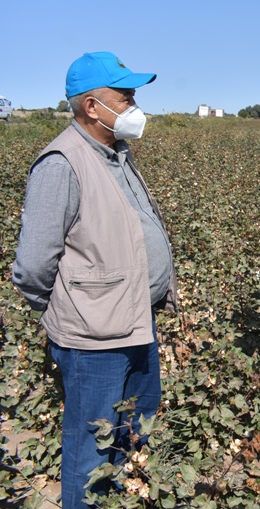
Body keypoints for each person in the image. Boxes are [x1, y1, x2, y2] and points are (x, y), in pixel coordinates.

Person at [12, 52, 177, 508]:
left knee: (133, 438)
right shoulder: (61, 163)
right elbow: (32, 267)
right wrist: (71, 310)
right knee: (91, 454)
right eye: (124, 96)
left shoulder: (117, 156)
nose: (133, 105)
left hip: (136, 324)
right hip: (93, 340)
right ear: (91, 107)